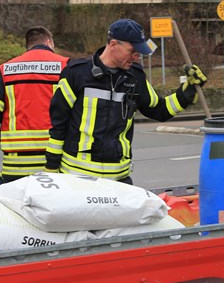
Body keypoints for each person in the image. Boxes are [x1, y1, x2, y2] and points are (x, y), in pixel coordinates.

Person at [45, 18, 207, 184]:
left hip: (119, 180)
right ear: (114, 44)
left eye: (139, 53)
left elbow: (160, 110)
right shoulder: (76, 73)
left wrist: (187, 91)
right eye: (132, 51)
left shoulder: (135, 76)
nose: (136, 57)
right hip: (77, 178)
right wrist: (51, 170)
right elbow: (58, 124)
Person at [0, 26, 69, 195]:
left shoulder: (7, 70)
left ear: (28, 45)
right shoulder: (67, 66)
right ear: (49, 42)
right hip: (57, 161)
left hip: (16, 166)